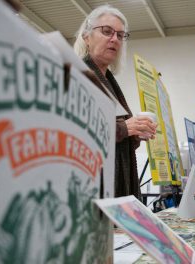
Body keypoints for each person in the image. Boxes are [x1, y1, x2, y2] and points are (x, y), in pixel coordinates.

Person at [74, 4, 157, 199]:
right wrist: (124, 128)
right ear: (87, 37)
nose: (115, 39)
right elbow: (77, 131)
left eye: (120, 35)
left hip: (117, 188)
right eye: (107, 31)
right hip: (93, 192)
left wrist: (135, 133)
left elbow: (116, 141)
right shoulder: (78, 76)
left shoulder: (109, 81)